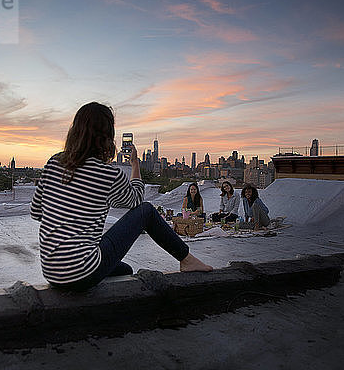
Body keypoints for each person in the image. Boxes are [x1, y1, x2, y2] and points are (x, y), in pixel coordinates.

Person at [30, 102, 212, 291]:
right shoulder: (107, 173)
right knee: (147, 211)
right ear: (107, 136)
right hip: (81, 271)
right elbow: (137, 202)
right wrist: (135, 165)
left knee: (125, 270)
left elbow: (36, 213)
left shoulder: (53, 163)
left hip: (52, 271)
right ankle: (186, 259)